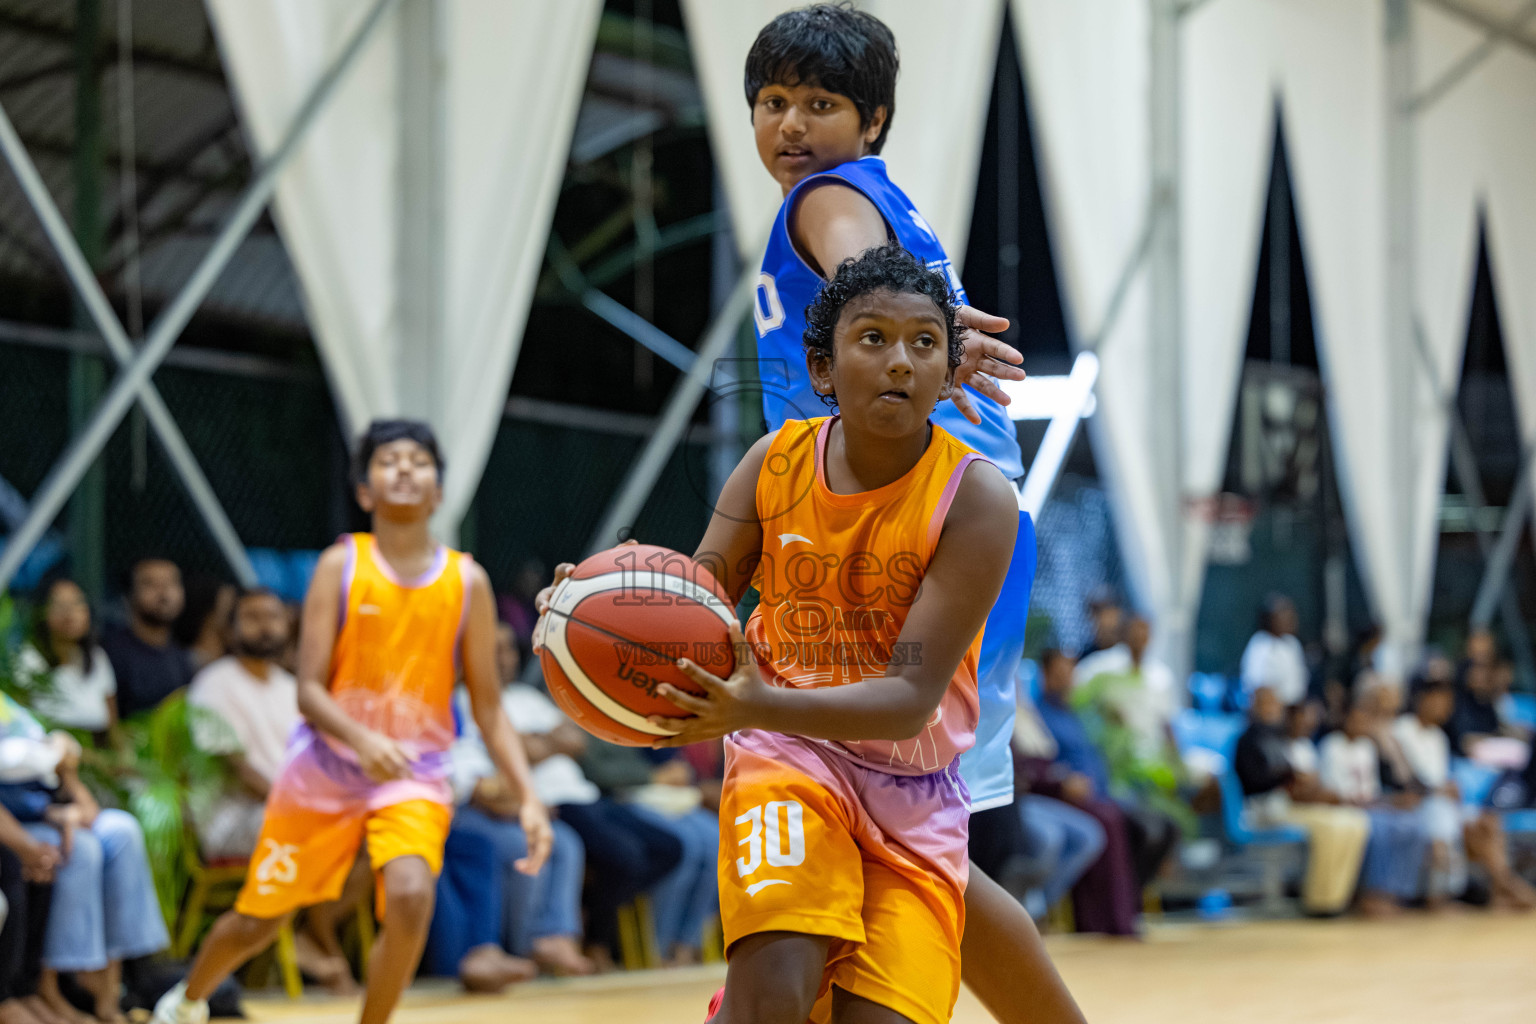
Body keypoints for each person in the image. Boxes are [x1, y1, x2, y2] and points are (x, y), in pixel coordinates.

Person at [538, 247, 1017, 1023]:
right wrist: (589, 603)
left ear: (947, 373)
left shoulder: (975, 500)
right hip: (785, 756)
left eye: (925, 343)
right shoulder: (773, 464)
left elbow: (906, 698)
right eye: (873, 339)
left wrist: (754, 701)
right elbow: (699, 606)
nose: (900, 360)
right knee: (774, 996)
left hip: (910, 784)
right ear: (822, 370)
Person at [732, 7, 1080, 1022]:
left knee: (909, 800)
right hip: (935, 516)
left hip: (899, 523)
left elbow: (847, 261)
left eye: (821, 103)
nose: (792, 125)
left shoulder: (828, 199)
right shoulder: (887, 200)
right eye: (772, 102)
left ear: (872, 119)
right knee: (925, 819)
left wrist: (891, 327)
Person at [152, 420, 552, 1024]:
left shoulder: (466, 581)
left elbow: (489, 708)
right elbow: (309, 690)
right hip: (324, 769)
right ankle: (186, 1001)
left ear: (439, 491)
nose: (404, 469)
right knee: (258, 919)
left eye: (419, 460)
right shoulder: (340, 565)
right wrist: (362, 740)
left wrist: (527, 795)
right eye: (388, 460)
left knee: (413, 894)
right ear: (365, 491)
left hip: (413, 772)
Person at [186, 587, 370, 993]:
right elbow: (233, 767)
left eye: (272, 616)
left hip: (295, 812)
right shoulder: (214, 684)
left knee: (373, 836)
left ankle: (315, 933)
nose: (265, 625)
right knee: (321, 833)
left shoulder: (292, 688)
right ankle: (315, 941)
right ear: (230, 629)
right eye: (251, 617)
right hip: (233, 817)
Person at [433, 623, 593, 980]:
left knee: (564, 841)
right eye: (492, 649)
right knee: (520, 842)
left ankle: (550, 936)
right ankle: (518, 947)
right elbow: (476, 778)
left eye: (507, 649)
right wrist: (509, 797)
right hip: (462, 807)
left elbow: (576, 740)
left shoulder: (522, 697)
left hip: (500, 801)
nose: (502, 659)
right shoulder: (454, 700)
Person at [0, 693, 167, 1023]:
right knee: (80, 851)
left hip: (51, 804)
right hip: (22, 817)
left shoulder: (8, 705)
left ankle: (109, 985)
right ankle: (47, 987)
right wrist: (36, 834)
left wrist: (74, 792)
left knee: (122, 831)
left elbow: (61, 756)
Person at [1031, 649, 1178, 934]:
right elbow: (1043, 763)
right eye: (1060, 673)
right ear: (1045, 675)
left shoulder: (1081, 714)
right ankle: (1104, 920)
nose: (1067, 679)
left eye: (1070, 672)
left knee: (1157, 826)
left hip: (1101, 792)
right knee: (1110, 820)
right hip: (1064, 796)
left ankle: (1127, 907)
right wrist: (1065, 781)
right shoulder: (1039, 714)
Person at [1393, 680, 1534, 910]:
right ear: (1424, 700)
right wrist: (1437, 789)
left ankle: (1501, 889)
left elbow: (1440, 776)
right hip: (1420, 804)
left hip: (1443, 803)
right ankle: (1506, 888)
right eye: (1440, 700)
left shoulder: (1438, 736)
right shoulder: (1402, 729)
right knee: (1453, 823)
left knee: (1488, 823)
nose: (1445, 707)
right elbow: (1404, 778)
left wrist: (1450, 787)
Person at [1233, 686, 1369, 915]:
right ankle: (1318, 901)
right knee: (1331, 828)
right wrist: (1291, 779)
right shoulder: (1248, 739)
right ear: (1252, 706)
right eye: (1264, 704)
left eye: (1274, 703)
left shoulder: (1280, 739)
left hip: (1291, 804)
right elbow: (1256, 781)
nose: (1270, 709)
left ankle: (1336, 898)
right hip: (1266, 808)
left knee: (1355, 822)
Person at [1318, 696, 1429, 916]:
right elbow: (1335, 792)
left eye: (1364, 720)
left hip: (1372, 804)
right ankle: (1372, 894)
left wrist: (1389, 802)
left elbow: (1374, 790)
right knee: (1378, 829)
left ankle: (1397, 893)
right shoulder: (1331, 745)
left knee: (1414, 825)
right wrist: (1375, 804)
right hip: (1343, 807)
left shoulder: (1366, 747)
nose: (1361, 725)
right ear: (1345, 720)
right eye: (1356, 719)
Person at [19, 579, 119, 742]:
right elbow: (20, 723)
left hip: (102, 758)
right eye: (59, 605)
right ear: (41, 612)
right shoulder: (27, 660)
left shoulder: (97, 657)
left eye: (77, 603)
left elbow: (113, 722)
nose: (69, 613)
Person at [100, 558, 192, 719]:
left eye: (172, 583)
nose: (164, 593)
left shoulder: (181, 656)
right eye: (150, 584)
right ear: (129, 595)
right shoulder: (111, 653)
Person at [1240, 594, 1308, 707]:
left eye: (1292, 617)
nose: (1291, 622)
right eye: (1285, 617)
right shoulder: (1260, 644)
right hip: (1271, 710)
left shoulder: (1293, 643)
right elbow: (1254, 683)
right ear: (1271, 619)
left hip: (1294, 708)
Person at [173, 578, 236, 672]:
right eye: (231, 612)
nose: (237, 619)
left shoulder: (237, 659)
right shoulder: (187, 663)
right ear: (208, 616)